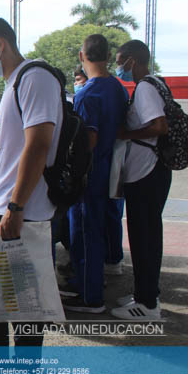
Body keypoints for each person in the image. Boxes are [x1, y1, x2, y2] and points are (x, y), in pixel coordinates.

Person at [0, 17, 63, 350]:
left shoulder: (34, 78)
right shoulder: (15, 83)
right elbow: (10, 152)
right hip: (4, 206)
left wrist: (15, 205)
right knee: (14, 299)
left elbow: (37, 146)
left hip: (23, 210)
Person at [61, 34, 129, 314]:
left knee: (85, 232)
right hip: (110, 167)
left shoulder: (87, 94)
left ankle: (90, 296)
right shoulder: (117, 87)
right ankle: (89, 281)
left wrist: (73, 170)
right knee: (97, 229)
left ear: (81, 56)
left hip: (90, 172)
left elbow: (88, 139)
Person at [111, 39, 171, 320]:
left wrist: (126, 134)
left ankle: (147, 305)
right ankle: (145, 293)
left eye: (121, 60)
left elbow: (159, 126)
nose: (119, 65)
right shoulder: (158, 83)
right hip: (153, 171)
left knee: (144, 236)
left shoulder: (145, 87)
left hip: (146, 172)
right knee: (147, 235)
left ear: (133, 61)